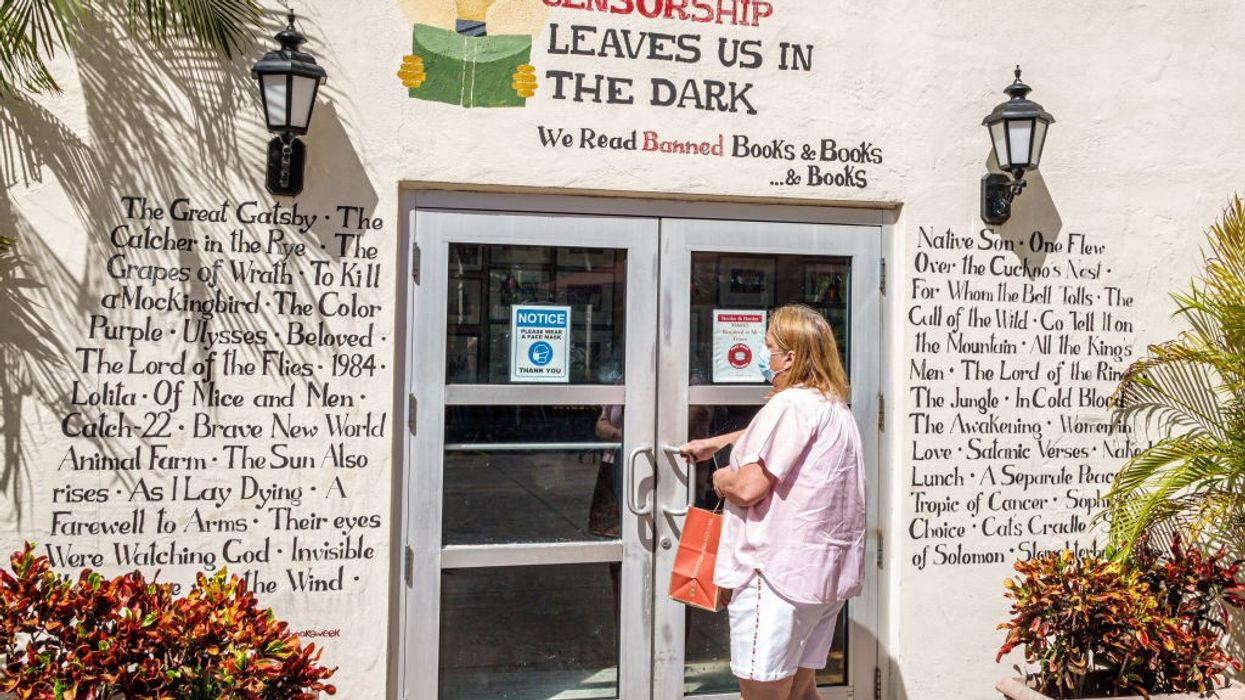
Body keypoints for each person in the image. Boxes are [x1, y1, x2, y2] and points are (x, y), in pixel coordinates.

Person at [679, 304, 865, 700]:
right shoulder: (832, 405)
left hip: (776, 580)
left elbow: (748, 487)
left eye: (768, 346)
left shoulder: (790, 405)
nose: (764, 355)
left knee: (764, 693)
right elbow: (779, 437)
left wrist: (720, 478)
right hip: (820, 580)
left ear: (790, 357)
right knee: (801, 692)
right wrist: (719, 442)